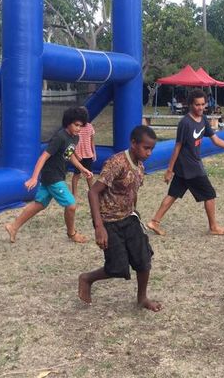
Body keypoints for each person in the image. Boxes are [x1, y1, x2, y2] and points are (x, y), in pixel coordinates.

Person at [78, 125, 162, 312]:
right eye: (145, 148)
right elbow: (93, 192)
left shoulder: (140, 166)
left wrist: (135, 213)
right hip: (109, 221)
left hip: (129, 218)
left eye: (151, 149)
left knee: (143, 258)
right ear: (133, 144)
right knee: (117, 267)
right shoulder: (116, 163)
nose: (149, 153)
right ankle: (87, 278)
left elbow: (131, 192)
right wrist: (99, 227)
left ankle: (142, 298)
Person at [146, 89, 224, 236]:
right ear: (190, 105)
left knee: (173, 194)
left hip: (187, 167)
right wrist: (170, 169)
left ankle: (154, 222)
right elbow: (177, 147)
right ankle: (213, 227)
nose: (200, 108)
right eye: (197, 105)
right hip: (191, 167)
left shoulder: (203, 119)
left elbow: (215, 139)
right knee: (209, 195)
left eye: (202, 104)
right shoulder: (185, 123)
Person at [5, 107, 93, 243]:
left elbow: (68, 155)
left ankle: (13, 227)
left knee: (39, 204)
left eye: (81, 126)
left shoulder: (75, 138)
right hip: (53, 176)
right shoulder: (60, 137)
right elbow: (43, 157)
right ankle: (72, 234)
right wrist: (34, 177)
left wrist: (82, 169)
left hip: (56, 175)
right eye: (76, 125)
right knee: (71, 205)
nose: (78, 128)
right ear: (68, 123)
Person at [71, 106, 96, 199]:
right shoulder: (75, 128)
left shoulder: (89, 127)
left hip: (88, 154)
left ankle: (92, 192)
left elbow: (92, 140)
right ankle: (74, 194)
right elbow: (71, 144)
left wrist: (94, 152)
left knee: (89, 174)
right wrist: (76, 154)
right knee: (77, 174)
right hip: (78, 155)